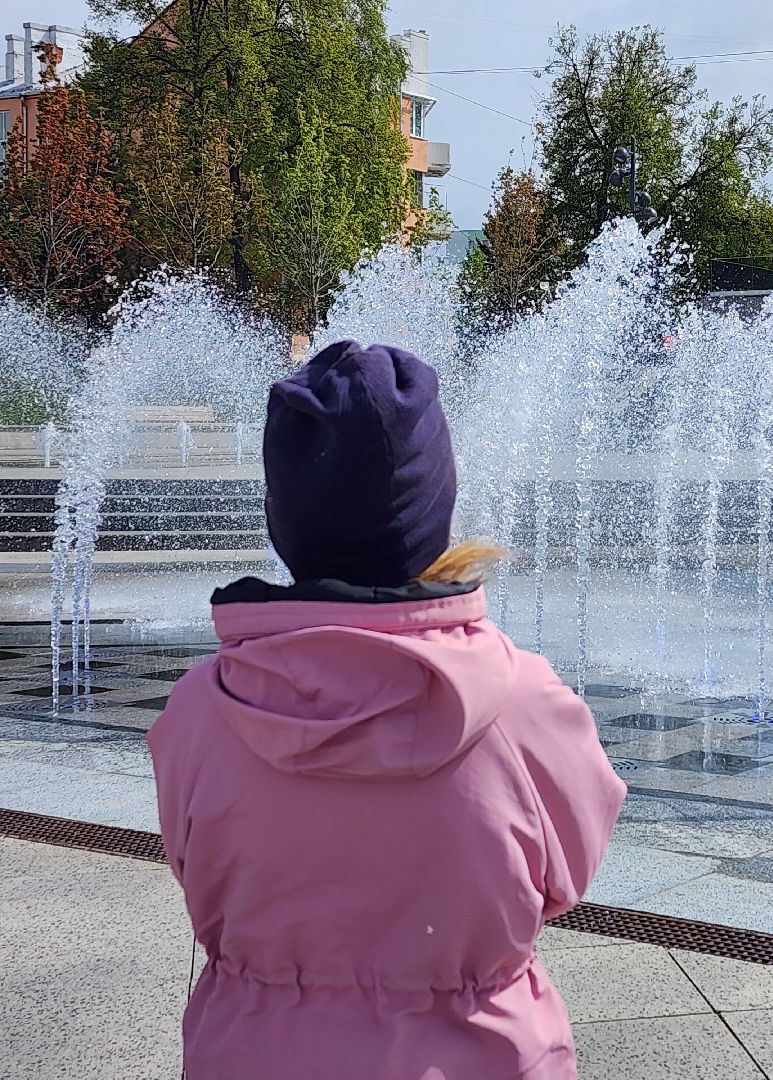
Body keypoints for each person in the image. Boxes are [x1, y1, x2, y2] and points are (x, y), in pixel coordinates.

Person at [148, 340, 627, 1080]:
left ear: (284, 516)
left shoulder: (200, 711)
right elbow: (567, 878)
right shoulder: (527, 703)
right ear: (437, 503)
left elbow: (195, 869)